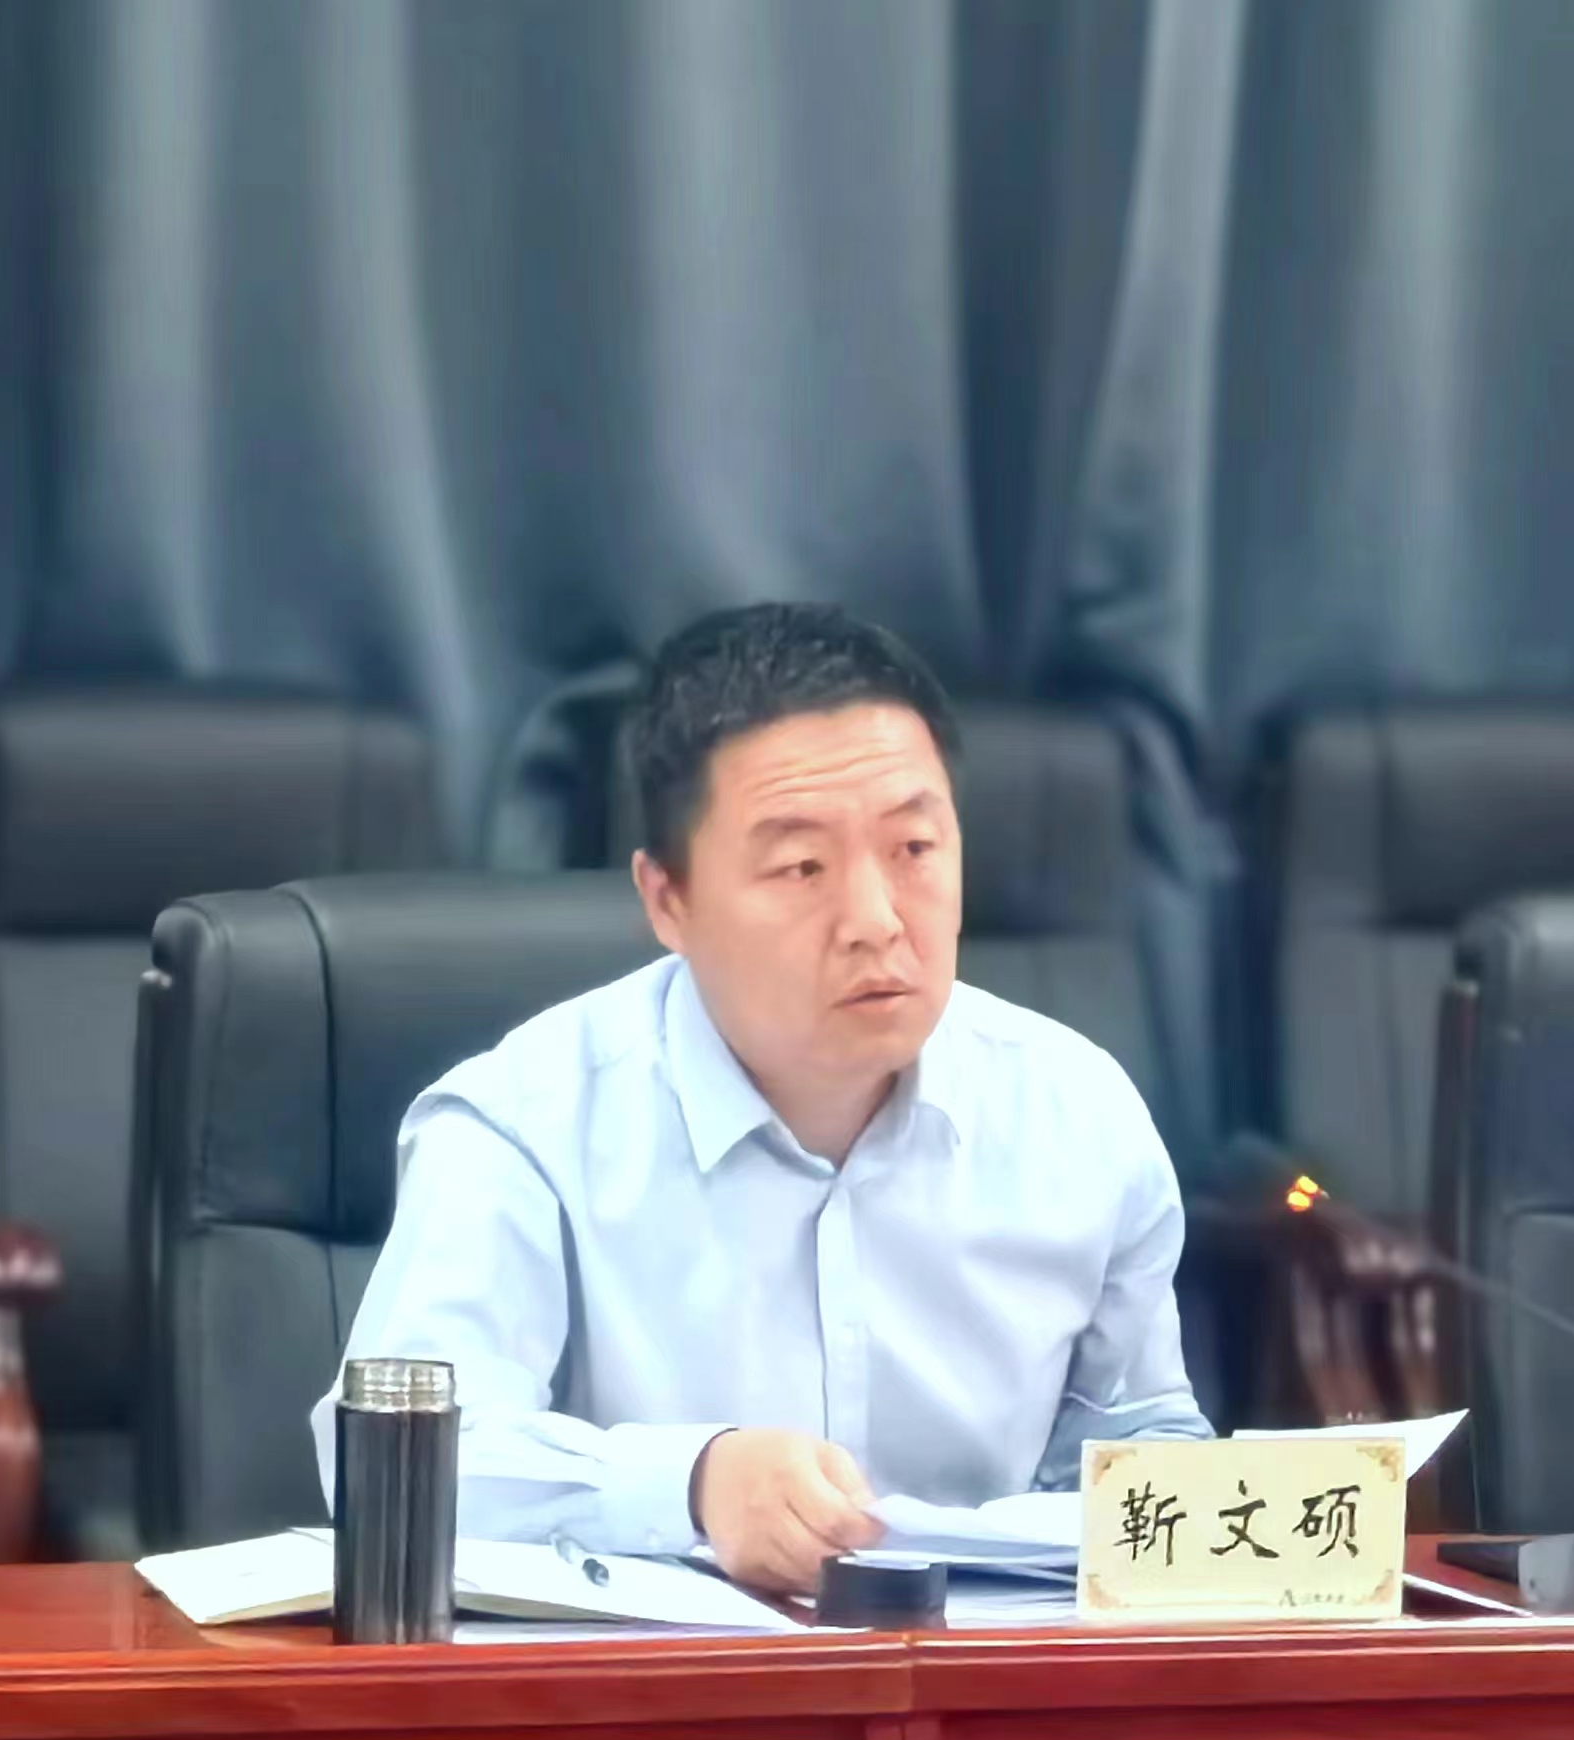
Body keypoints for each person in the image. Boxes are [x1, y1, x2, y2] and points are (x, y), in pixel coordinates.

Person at [312, 602, 1211, 1590]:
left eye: (915, 850)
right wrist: (692, 1486)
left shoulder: (1079, 1114)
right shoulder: (521, 1127)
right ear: (668, 901)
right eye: (801, 867)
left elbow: (1142, 1448)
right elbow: (400, 1470)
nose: (875, 921)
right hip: (659, 1681)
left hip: (983, 1672)